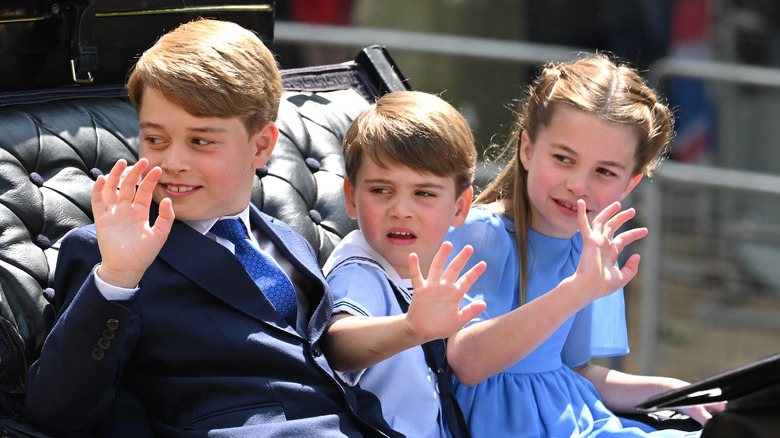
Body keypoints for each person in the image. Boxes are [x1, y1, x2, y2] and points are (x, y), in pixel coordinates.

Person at [24, 19, 401, 437]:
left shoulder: (288, 238)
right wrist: (116, 279)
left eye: (201, 141)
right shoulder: (108, 254)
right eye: (155, 140)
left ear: (260, 146)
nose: (173, 162)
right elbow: (57, 411)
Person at [443, 52, 724, 437]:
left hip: (579, 421)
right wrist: (577, 290)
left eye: (605, 171)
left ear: (629, 184)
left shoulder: (590, 246)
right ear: (527, 149)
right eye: (563, 158)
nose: (579, 185)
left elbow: (574, 371)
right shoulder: (480, 232)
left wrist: (672, 391)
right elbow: (466, 363)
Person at [319, 90, 487, 438]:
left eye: (424, 193)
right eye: (381, 190)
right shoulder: (360, 267)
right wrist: (411, 327)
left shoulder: (437, 270)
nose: (401, 209)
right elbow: (336, 343)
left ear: (459, 207)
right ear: (351, 197)